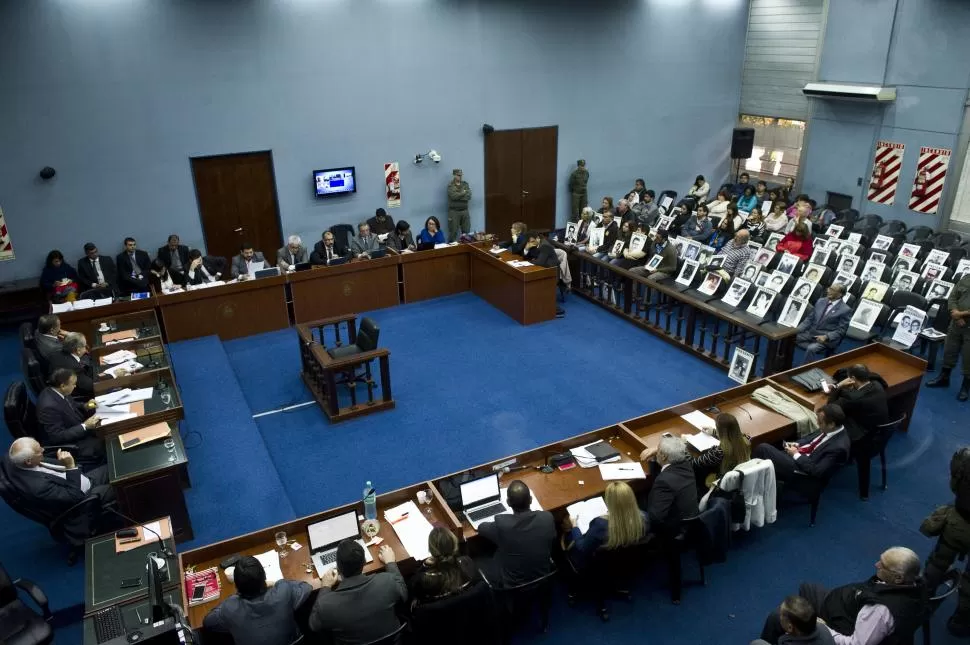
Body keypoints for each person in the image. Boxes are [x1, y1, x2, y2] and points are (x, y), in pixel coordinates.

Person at [757, 547, 925, 645]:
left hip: (838, 625)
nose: (876, 565)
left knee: (777, 616)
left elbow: (855, 644)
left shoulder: (880, 611)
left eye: (883, 565)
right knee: (807, 588)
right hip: (846, 606)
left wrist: (821, 626)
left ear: (898, 578)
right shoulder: (914, 586)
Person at [1, 438, 114, 528]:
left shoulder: (13, 459)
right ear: (28, 461)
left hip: (81, 479)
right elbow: (75, 497)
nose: (43, 450)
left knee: (115, 468)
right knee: (122, 485)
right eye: (39, 451)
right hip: (84, 498)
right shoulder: (38, 487)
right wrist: (70, 467)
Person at [308, 541, 406, 645]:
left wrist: (325, 587)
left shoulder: (326, 604)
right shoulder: (387, 581)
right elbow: (404, 594)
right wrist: (390, 562)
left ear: (338, 567)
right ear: (364, 562)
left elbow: (313, 625)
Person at [203, 555, 312, 645]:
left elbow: (207, 622)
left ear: (236, 585)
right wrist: (276, 583)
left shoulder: (230, 607)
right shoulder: (283, 591)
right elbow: (306, 588)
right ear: (264, 576)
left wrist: (235, 598)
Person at [921, 447, 970, 636]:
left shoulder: (965, 457)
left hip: (958, 524)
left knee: (938, 562)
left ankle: (924, 598)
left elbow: (954, 486)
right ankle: (960, 622)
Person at [477, 480, 556, 587]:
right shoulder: (547, 518)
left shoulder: (502, 524)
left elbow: (481, 528)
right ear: (531, 500)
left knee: (479, 560)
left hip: (513, 585)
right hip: (543, 576)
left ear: (508, 503)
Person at [827, 365, 890, 500]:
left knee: (831, 424)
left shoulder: (853, 399)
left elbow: (830, 408)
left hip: (863, 440)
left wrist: (838, 387)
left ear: (853, 379)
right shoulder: (877, 385)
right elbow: (876, 377)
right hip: (881, 435)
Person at [753, 404, 850, 487]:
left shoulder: (838, 448)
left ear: (831, 424)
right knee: (775, 443)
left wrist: (796, 454)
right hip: (802, 456)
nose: (817, 424)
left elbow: (816, 471)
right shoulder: (831, 429)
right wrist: (798, 444)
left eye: (820, 422)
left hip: (802, 472)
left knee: (763, 448)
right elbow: (810, 438)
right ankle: (761, 478)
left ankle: (751, 479)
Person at [562, 481, 648, 570]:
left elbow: (582, 548)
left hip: (603, 564)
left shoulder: (600, 525)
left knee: (567, 531)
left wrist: (574, 526)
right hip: (629, 560)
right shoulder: (644, 517)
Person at [36, 369, 104, 469]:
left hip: (76, 424)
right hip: (73, 442)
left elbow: (72, 404)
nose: (75, 386)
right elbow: (57, 436)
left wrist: (86, 405)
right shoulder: (48, 407)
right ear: (63, 386)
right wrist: (84, 426)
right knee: (104, 440)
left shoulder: (57, 391)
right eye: (73, 384)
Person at [640, 435, 699, 537]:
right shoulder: (686, 464)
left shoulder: (664, 481)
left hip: (672, 528)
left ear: (663, 456)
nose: (656, 452)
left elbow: (655, 518)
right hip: (689, 518)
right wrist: (656, 456)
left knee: (638, 502)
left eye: (658, 451)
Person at [926, 273, 970, 401]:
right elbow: (952, 297)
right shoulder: (966, 278)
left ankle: (965, 387)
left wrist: (961, 314)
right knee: (949, 351)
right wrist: (954, 314)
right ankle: (944, 378)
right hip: (956, 324)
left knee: (968, 358)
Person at [410, 527, 479, 605]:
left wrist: (424, 565)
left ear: (431, 551)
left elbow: (413, 587)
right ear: (455, 545)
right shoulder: (467, 562)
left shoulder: (424, 580)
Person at [690, 413, 751, 490]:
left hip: (724, 481)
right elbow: (731, 436)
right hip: (741, 476)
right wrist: (714, 432)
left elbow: (694, 462)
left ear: (721, 431)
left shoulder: (719, 452)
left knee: (699, 470)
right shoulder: (747, 439)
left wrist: (685, 443)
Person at [796, 284, 851, 363]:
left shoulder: (845, 310)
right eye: (829, 288)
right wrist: (796, 330)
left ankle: (805, 370)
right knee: (788, 337)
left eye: (832, 290)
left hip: (825, 339)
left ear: (840, 295)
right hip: (811, 333)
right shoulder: (820, 301)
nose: (828, 291)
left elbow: (841, 330)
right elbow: (809, 319)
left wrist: (826, 337)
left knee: (811, 348)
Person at [46, 333, 95, 399]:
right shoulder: (74, 368)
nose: (86, 348)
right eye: (85, 346)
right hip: (73, 396)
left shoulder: (56, 353)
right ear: (78, 350)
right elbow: (91, 386)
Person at [447, 168, 472, 241]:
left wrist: (459, 195)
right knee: (453, 232)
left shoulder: (465, 184)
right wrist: (463, 193)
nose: (460, 177)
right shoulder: (450, 185)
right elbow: (453, 196)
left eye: (461, 175)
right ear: (454, 175)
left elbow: (469, 196)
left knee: (466, 231)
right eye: (458, 175)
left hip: (465, 211)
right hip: (454, 212)